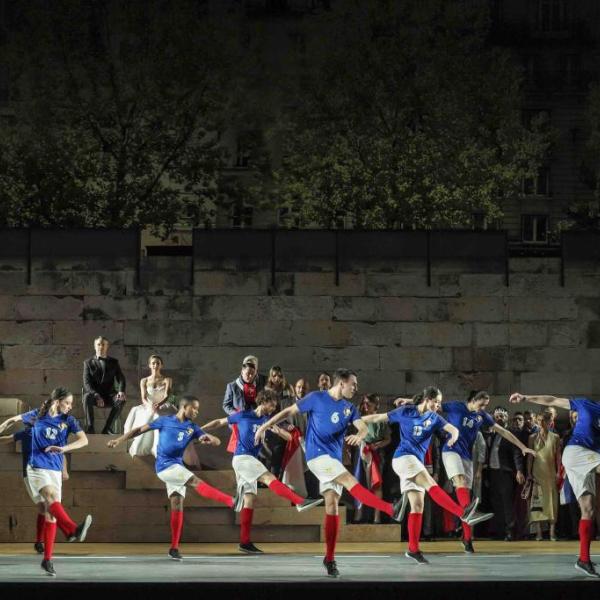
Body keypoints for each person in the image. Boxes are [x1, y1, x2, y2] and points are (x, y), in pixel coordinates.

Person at [253, 368, 405, 578]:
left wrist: (361, 435)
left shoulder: (349, 408)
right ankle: (390, 508)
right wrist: (264, 427)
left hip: (334, 460)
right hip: (316, 456)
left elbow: (362, 427)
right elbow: (288, 412)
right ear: (342, 383)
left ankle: (330, 558)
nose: (356, 388)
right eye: (353, 384)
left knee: (332, 506)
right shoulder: (316, 398)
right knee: (348, 479)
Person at [366, 387, 493, 564]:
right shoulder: (406, 411)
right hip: (403, 458)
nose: (439, 405)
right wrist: (353, 421)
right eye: (437, 402)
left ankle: (413, 549)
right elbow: (377, 417)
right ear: (427, 399)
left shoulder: (434, 418)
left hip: (416, 462)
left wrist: (453, 437)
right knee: (430, 483)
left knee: (418, 506)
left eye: (440, 402)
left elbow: (453, 429)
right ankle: (463, 513)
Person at [108, 395, 237, 561]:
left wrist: (209, 439)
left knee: (177, 504)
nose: (197, 412)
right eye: (194, 408)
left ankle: (174, 548)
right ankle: (231, 501)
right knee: (195, 481)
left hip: (177, 467)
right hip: (164, 466)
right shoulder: (165, 421)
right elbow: (138, 430)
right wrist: (118, 440)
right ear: (184, 407)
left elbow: (217, 441)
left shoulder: (192, 427)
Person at [201, 389, 323, 554]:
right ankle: (300, 502)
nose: (273, 407)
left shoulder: (268, 420)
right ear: (263, 401)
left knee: (249, 500)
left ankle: (244, 542)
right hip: (242, 458)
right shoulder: (243, 415)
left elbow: (289, 438)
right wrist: (200, 431)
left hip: (250, 460)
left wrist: (277, 429)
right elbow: (219, 422)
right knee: (267, 476)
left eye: (274, 405)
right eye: (271, 404)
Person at [510, 392, 600, 577]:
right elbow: (552, 400)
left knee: (588, 509)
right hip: (577, 452)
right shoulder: (585, 404)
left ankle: (583, 560)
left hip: (591, 459)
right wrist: (526, 398)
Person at [439, 391, 534, 553]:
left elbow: (503, 432)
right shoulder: (456, 406)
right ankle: (467, 525)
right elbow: (432, 404)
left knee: (466, 500)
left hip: (467, 457)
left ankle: (467, 538)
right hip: (450, 450)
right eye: (481, 404)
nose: (483, 408)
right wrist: (408, 401)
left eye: (485, 406)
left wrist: (522, 446)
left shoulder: (481, 416)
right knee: (460, 482)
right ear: (473, 400)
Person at [27, 387, 93, 576]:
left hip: (54, 469)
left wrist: (64, 449)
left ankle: (47, 560)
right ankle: (72, 529)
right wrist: (7, 423)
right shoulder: (36, 415)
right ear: (57, 401)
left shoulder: (68, 420)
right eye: (68, 403)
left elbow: (84, 440)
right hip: (37, 466)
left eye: (71, 404)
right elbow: (16, 419)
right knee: (49, 496)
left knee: (51, 514)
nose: (70, 407)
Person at [0, 398, 69, 554]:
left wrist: (64, 470)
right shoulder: (27, 432)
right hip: (32, 473)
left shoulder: (51, 432)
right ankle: (67, 531)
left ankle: (41, 541)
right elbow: (8, 439)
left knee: (45, 508)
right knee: (45, 507)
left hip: (50, 471)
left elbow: (61, 452)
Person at [484, 406, 526, 541]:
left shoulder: (511, 433)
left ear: (507, 418)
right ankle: (499, 531)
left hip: (505, 472)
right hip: (493, 472)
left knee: (507, 503)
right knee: (496, 503)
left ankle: (510, 531)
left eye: (502, 416)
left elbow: (516, 453)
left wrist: (519, 470)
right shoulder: (492, 433)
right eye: (497, 416)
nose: (499, 418)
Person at [124, 354, 174, 458]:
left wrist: (159, 404)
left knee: (159, 417)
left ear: (161, 365)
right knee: (148, 416)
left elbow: (167, 395)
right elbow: (143, 397)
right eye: (153, 363)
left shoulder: (167, 380)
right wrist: (149, 405)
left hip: (163, 405)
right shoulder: (144, 380)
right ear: (149, 365)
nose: (155, 365)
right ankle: (142, 446)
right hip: (148, 405)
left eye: (158, 363)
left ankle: (159, 449)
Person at [353, 394, 391, 524]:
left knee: (377, 484)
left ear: (376, 405)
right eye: (364, 403)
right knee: (359, 482)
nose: (366, 406)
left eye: (368, 403)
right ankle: (359, 514)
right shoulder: (360, 419)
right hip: (361, 453)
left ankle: (377, 516)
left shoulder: (382, 420)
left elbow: (388, 439)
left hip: (376, 454)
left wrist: (378, 445)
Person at [526, 410, 560, 541]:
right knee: (537, 503)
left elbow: (558, 456)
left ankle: (552, 533)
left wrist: (558, 472)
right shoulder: (532, 437)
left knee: (552, 502)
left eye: (543, 421)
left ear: (548, 422)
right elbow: (529, 457)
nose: (541, 423)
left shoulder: (555, 437)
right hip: (537, 473)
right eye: (539, 420)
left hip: (551, 473)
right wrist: (529, 473)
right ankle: (539, 533)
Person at [82, 336, 127, 434]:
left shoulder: (114, 362)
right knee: (86, 397)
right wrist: (96, 395)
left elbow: (121, 378)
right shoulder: (88, 362)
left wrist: (121, 391)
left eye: (103, 344)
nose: (101, 346)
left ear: (107, 347)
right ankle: (90, 427)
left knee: (121, 399)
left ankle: (107, 428)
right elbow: (86, 383)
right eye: (98, 344)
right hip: (94, 396)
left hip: (109, 396)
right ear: (95, 346)